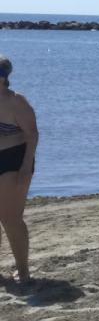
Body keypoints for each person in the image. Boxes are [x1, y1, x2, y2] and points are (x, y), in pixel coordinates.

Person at [0, 56, 37, 286]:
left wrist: (26, 166)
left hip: (14, 160)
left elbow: (32, 135)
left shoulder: (16, 102)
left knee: (10, 218)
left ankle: (23, 272)